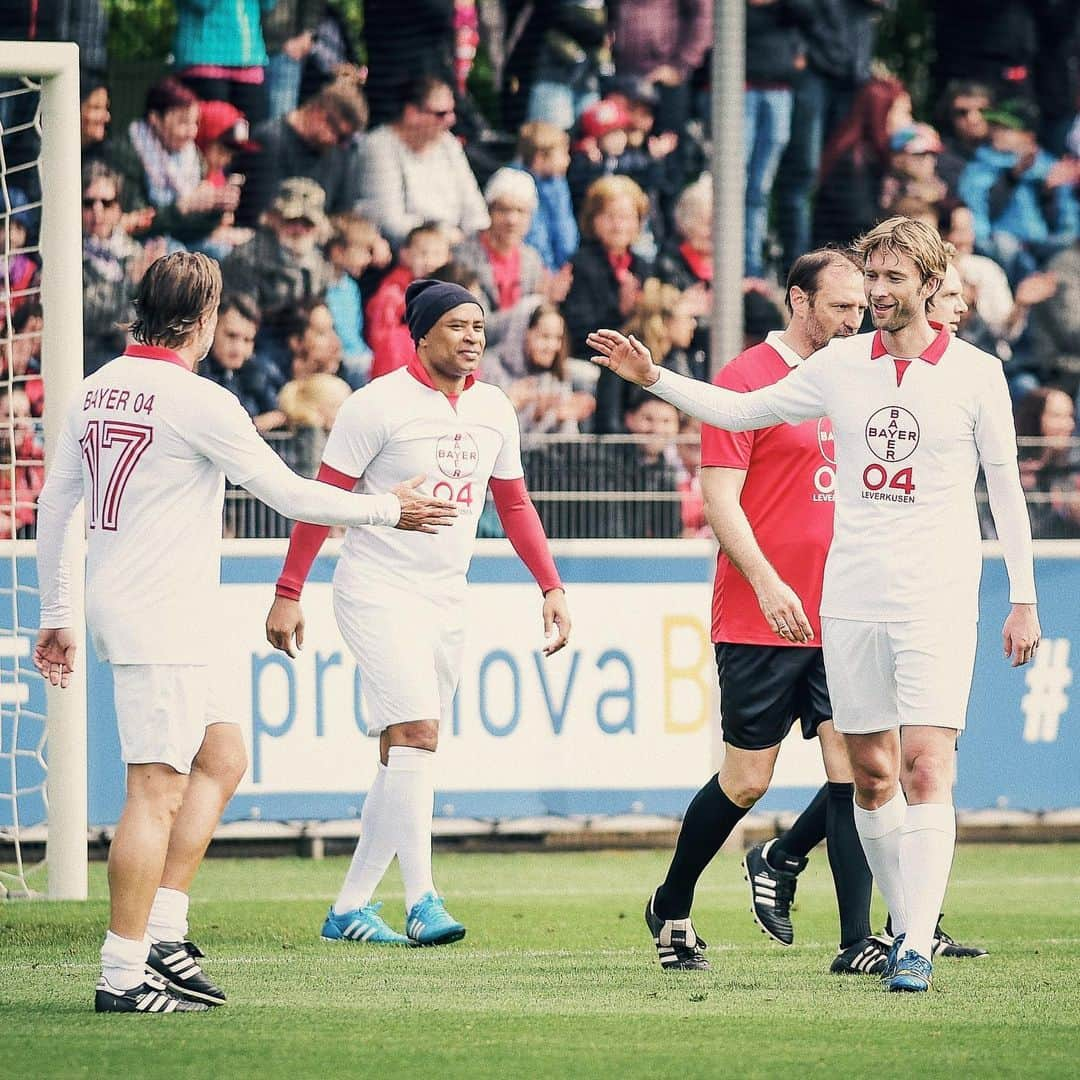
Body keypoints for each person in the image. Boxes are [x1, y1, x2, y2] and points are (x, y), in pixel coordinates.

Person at [588, 216, 1041, 993]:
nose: (877, 292)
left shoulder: (976, 374)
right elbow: (739, 411)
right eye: (872, 277)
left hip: (936, 594)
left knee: (926, 764)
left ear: (931, 286)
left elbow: (1006, 489)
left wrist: (1024, 598)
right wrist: (653, 378)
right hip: (850, 596)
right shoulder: (839, 367)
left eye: (893, 278)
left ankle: (913, 942)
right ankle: (902, 925)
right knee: (867, 773)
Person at [32, 251, 458, 1015]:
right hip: (159, 613)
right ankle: (121, 974)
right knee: (154, 789)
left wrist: (57, 613)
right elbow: (291, 494)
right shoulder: (201, 401)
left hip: (161, 607)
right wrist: (388, 508)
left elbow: (56, 507)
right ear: (202, 319)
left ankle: (163, 934)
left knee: (222, 757)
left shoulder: (93, 390)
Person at [264, 278, 572, 947]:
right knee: (420, 735)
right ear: (422, 332)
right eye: (458, 325)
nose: (472, 338)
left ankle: (348, 908)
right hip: (376, 588)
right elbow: (324, 498)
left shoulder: (493, 409)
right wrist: (290, 590)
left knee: (402, 754)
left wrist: (550, 585)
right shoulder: (375, 405)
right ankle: (422, 898)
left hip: (446, 595)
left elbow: (514, 505)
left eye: (480, 327)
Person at [638, 249, 894, 974]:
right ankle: (673, 904)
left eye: (860, 307)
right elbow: (720, 499)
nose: (854, 320)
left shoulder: (859, 374)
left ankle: (855, 943)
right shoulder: (746, 379)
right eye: (841, 306)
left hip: (841, 607)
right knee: (748, 779)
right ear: (798, 300)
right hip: (760, 616)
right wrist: (769, 582)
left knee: (853, 766)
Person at [355, 75, 489, 248]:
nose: (451, 120)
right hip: (406, 250)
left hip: (456, 244)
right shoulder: (380, 146)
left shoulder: (448, 143)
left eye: (451, 112)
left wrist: (478, 238)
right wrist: (441, 235)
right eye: (441, 114)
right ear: (412, 113)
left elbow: (475, 208)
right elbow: (389, 221)